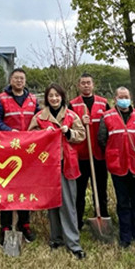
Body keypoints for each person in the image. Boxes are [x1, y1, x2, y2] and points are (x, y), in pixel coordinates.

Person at [29, 83, 87, 259]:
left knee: (68, 205)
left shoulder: (70, 116)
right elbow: (30, 136)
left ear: (62, 97)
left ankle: (73, 243)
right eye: (51, 96)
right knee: (52, 203)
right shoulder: (40, 117)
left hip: (66, 164)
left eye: (57, 96)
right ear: (46, 98)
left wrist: (69, 132)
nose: (54, 99)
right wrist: (42, 134)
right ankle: (56, 238)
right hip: (47, 166)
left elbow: (81, 134)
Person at [98, 86, 135, 248]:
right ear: (115, 99)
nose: (123, 99)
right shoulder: (107, 116)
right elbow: (102, 140)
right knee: (123, 203)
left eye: (126, 96)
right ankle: (125, 237)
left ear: (130, 98)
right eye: (120, 97)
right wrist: (113, 152)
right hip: (118, 166)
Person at [0, 68, 39, 244]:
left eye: (22, 78)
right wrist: (9, 131)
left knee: (25, 188)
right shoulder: (2, 98)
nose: (19, 81)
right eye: (16, 78)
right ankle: (5, 226)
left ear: (25, 81)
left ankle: (24, 224)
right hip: (8, 149)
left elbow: (39, 118)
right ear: (10, 80)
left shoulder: (33, 99)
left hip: (27, 151)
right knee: (6, 187)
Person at [69, 73, 111, 232]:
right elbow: (68, 128)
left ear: (93, 85)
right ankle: (77, 223)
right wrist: (80, 122)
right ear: (79, 86)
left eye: (89, 83)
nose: (86, 85)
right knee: (79, 192)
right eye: (83, 83)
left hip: (99, 155)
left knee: (100, 189)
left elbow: (109, 125)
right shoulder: (73, 105)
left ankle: (102, 217)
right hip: (80, 155)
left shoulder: (104, 103)